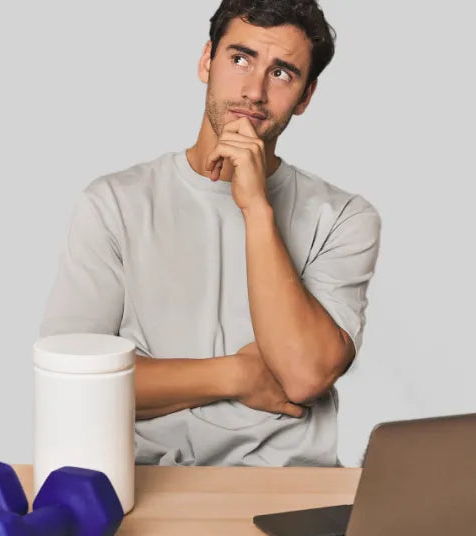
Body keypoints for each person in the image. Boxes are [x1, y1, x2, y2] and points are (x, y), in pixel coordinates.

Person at [40, 0, 381, 467]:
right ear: (207, 61)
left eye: (282, 74)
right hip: (151, 487)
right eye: (240, 59)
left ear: (305, 97)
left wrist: (256, 207)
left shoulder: (345, 216)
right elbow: (75, 382)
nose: (254, 92)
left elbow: (303, 377)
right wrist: (236, 374)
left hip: (294, 489)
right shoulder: (114, 203)